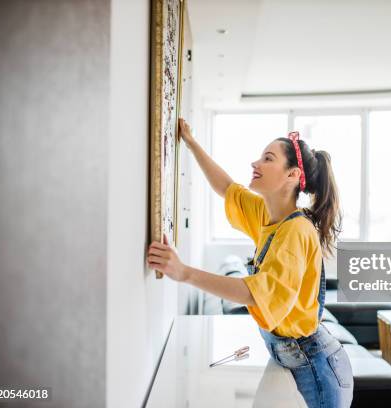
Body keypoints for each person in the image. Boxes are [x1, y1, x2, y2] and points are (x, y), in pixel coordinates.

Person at [148, 118, 354, 407]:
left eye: (268, 158)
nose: (255, 162)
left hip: (316, 370)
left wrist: (183, 273)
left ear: (292, 175)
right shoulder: (266, 213)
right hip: (291, 358)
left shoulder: (296, 231)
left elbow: (253, 292)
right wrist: (192, 144)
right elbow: (227, 188)